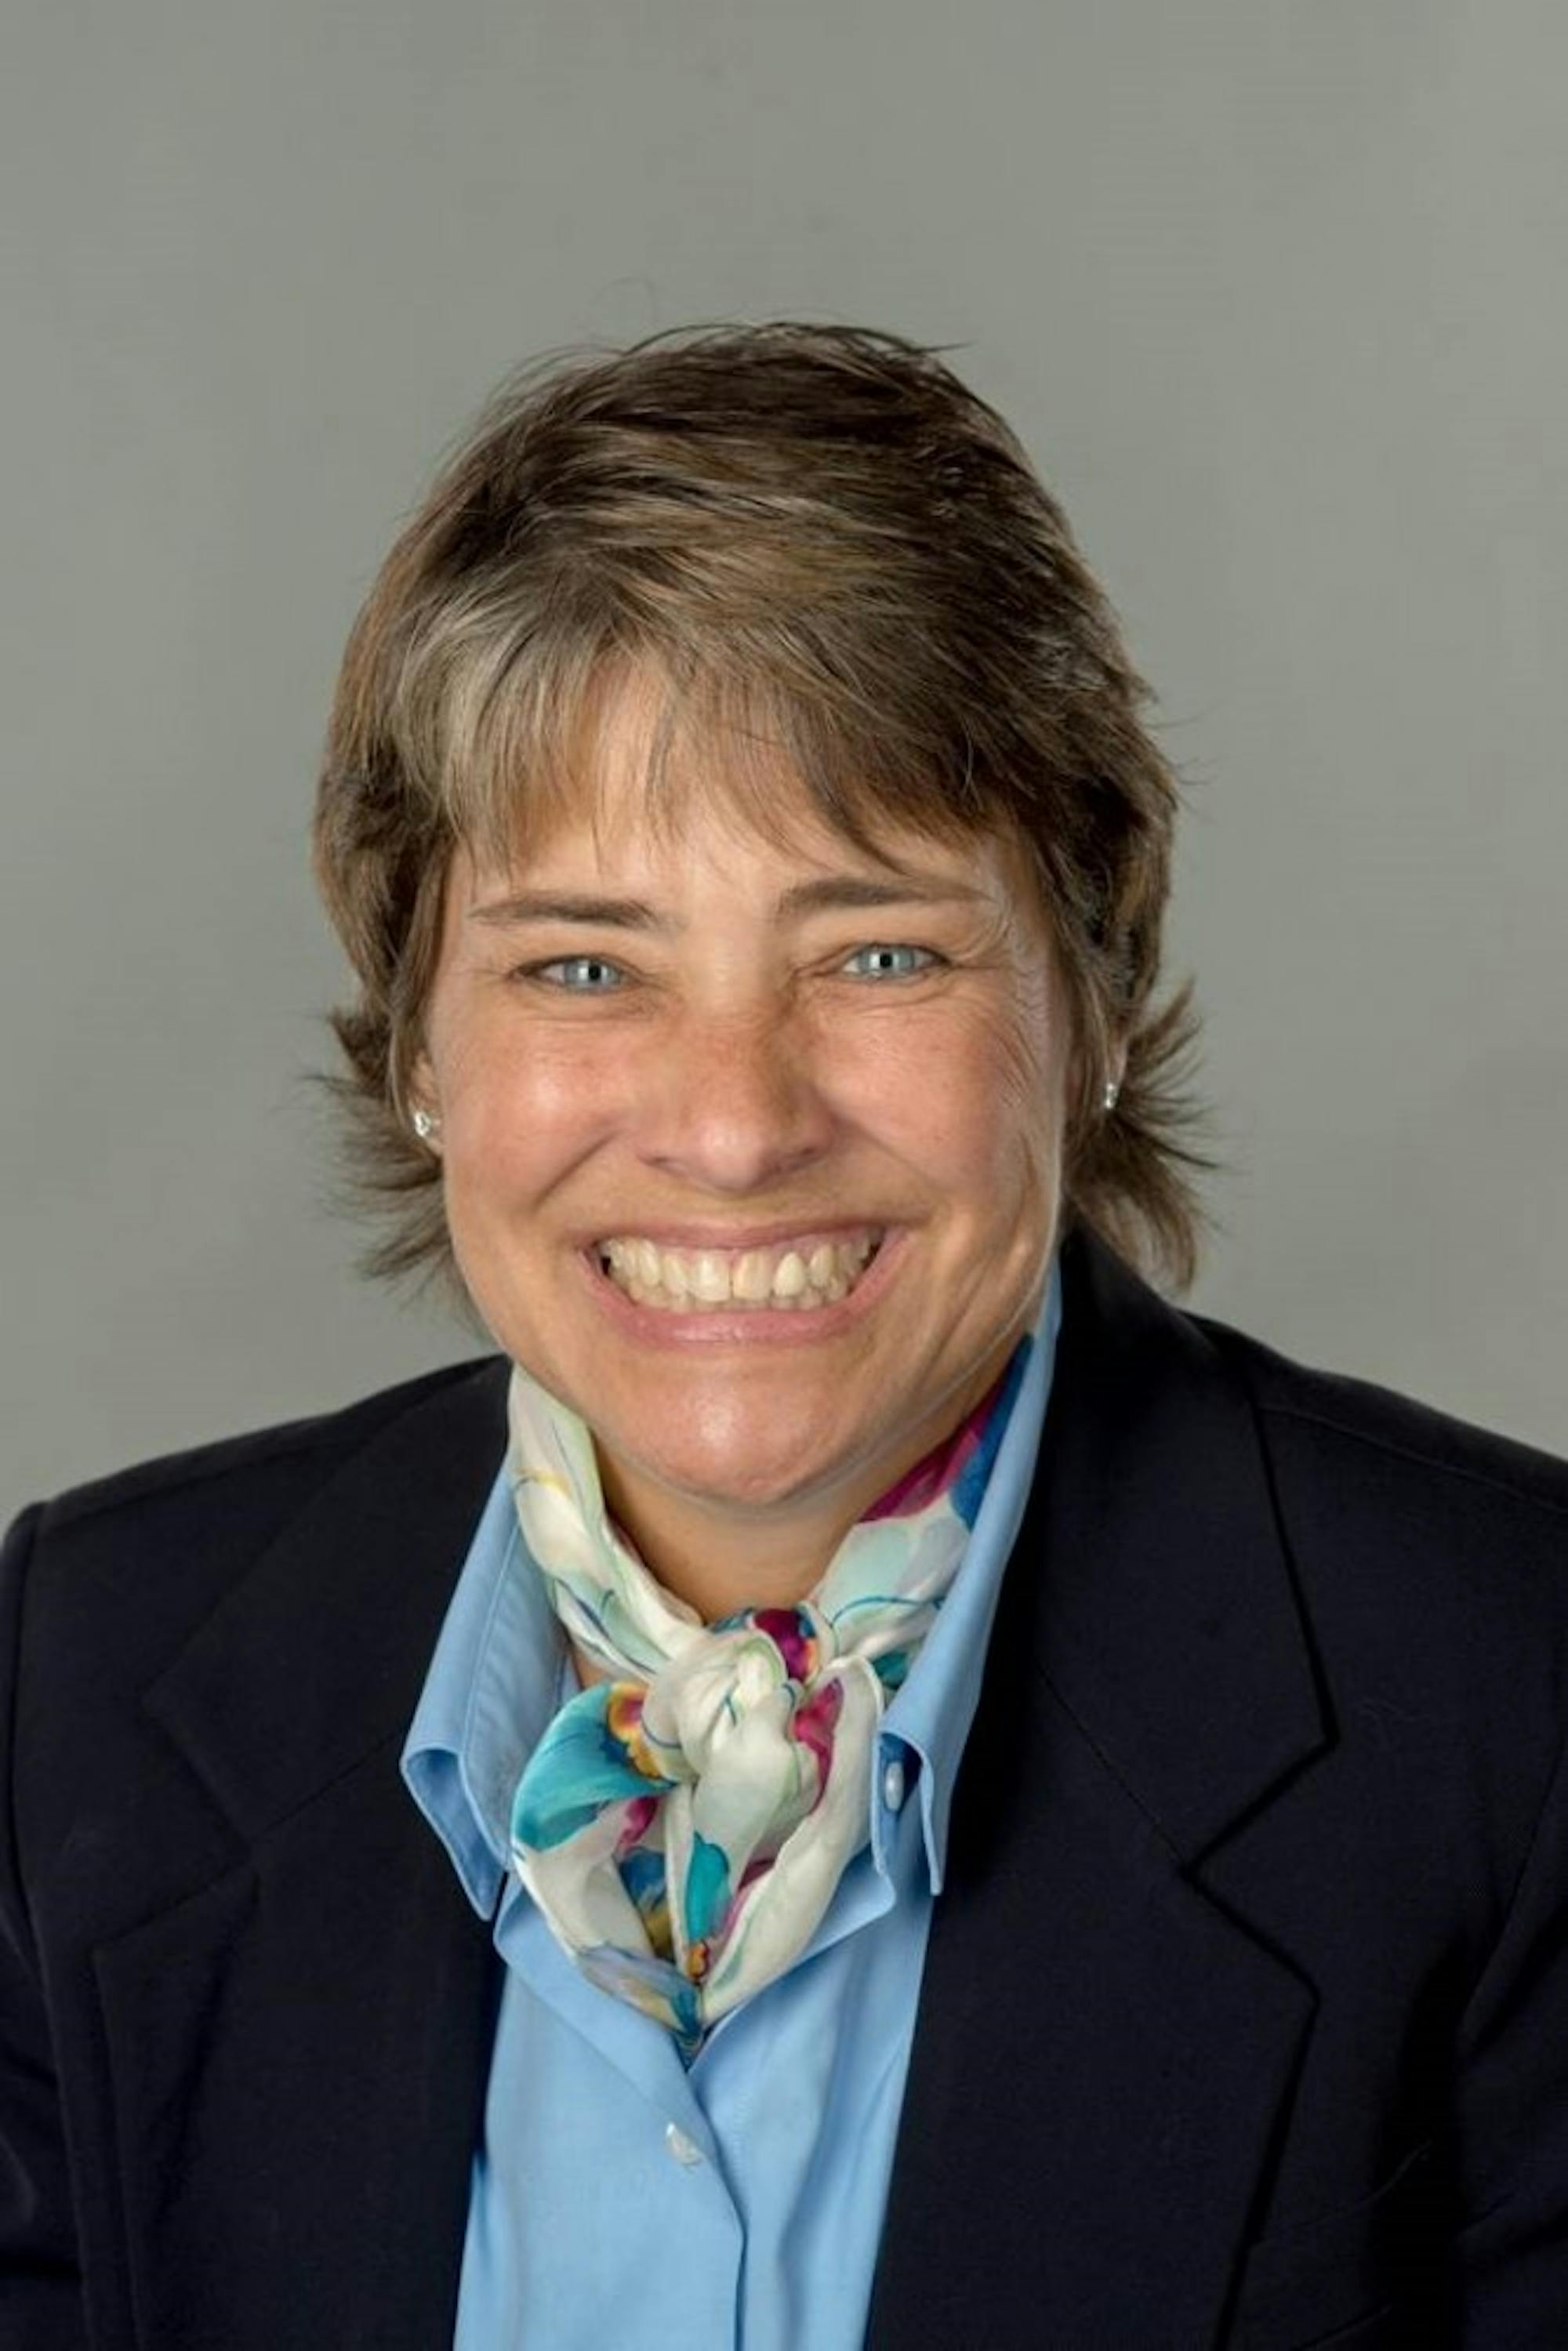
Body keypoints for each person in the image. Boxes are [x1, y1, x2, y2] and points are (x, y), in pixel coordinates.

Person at [2, 324, 1566, 2351]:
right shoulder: (76, 1691)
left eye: (879, 952)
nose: (735, 1127)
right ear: (417, 1050)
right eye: (585, 966)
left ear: (1091, 1000)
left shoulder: (1512, 1708)